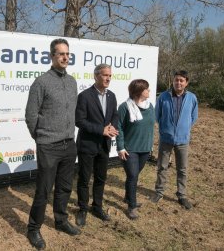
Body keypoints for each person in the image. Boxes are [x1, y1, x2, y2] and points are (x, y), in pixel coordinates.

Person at [25, 38, 80, 250]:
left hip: (69, 144)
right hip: (48, 145)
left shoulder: (72, 81)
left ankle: (61, 220)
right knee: (43, 190)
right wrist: (40, 137)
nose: (65, 57)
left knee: (65, 187)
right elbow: (31, 114)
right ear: (52, 56)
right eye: (61, 54)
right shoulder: (41, 82)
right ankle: (33, 229)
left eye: (68, 54)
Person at [75, 63, 119, 227]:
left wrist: (112, 127)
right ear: (96, 76)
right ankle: (83, 209)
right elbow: (79, 121)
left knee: (101, 178)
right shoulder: (85, 96)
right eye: (105, 75)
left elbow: (114, 115)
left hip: (104, 145)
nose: (108, 78)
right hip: (87, 144)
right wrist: (101, 130)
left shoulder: (112, 96)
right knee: (84, 179)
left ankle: (97, 207)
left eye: (110, 75)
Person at [150, 70, 198, 210]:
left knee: (182, 169)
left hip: (183, 140)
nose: (178, 83)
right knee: (162, 167)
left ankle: (181, 195)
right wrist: (166, 129)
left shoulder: (192, 98)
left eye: (181, 80)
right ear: (173, 81)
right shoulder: (163, 97)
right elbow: (157, 115)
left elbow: (193, 117)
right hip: (166, 138)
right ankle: (159, 192)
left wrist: (184, 129)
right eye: (176, 80)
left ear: (186, 83)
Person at [116, 79, 155, 219]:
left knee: (134, 175)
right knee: (133, 176)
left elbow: (150, 127)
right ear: (139, 91)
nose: (149, 91)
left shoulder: (150, 106)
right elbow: (118, 128)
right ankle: (132, 206)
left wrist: (151, 145)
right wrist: (120, 147)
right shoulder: (125, 107)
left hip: (145, 149)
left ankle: (128, 197)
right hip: (130, 149)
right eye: (147, 89)